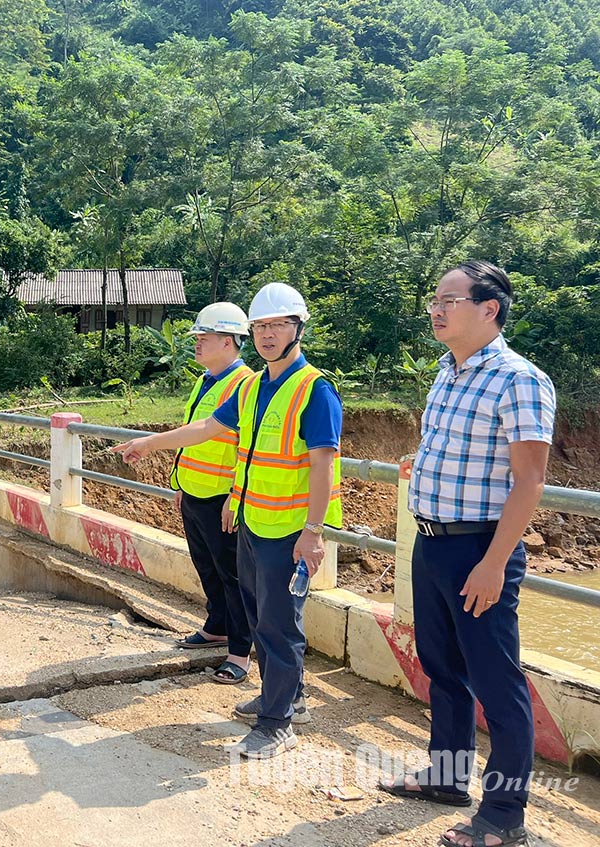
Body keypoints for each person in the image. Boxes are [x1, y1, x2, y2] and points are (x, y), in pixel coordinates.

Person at [113, 283, 342, 758]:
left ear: (299, 328)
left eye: (278, 325)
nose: (268, 335)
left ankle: (276, 722)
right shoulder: (256, 385)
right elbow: (208, 429)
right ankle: (286, 697)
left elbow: (323, 465)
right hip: (253, 522)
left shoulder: (315, 391)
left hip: (289, 531)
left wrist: (314, 533)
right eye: (261, 326)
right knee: (261, 619)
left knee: (279, 625)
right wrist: (148, 443)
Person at [378, 261, 554, 847]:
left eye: (449, 299)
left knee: (497, 684)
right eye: (434, 298)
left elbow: (529, 481)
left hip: (480, 549)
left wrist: (494, 562)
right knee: (442, 668)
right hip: (431, 543)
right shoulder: (448, 373)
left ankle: (504, 817)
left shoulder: (518, 379)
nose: (436, 308)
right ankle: (447, 778)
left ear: (489, 309)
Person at [168, 303, 254, 686]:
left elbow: (247, 448)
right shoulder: (207, 379)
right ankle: (216, 626)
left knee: (232, 576)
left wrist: (235, 497)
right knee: (207, 568)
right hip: (195, 492)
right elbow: (193, 436)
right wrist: (179, 485)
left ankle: (240, 652)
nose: (197, 344)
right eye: (197, 338)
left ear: (230, 341)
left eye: (204, 338)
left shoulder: (244, 384)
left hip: (222, 498)